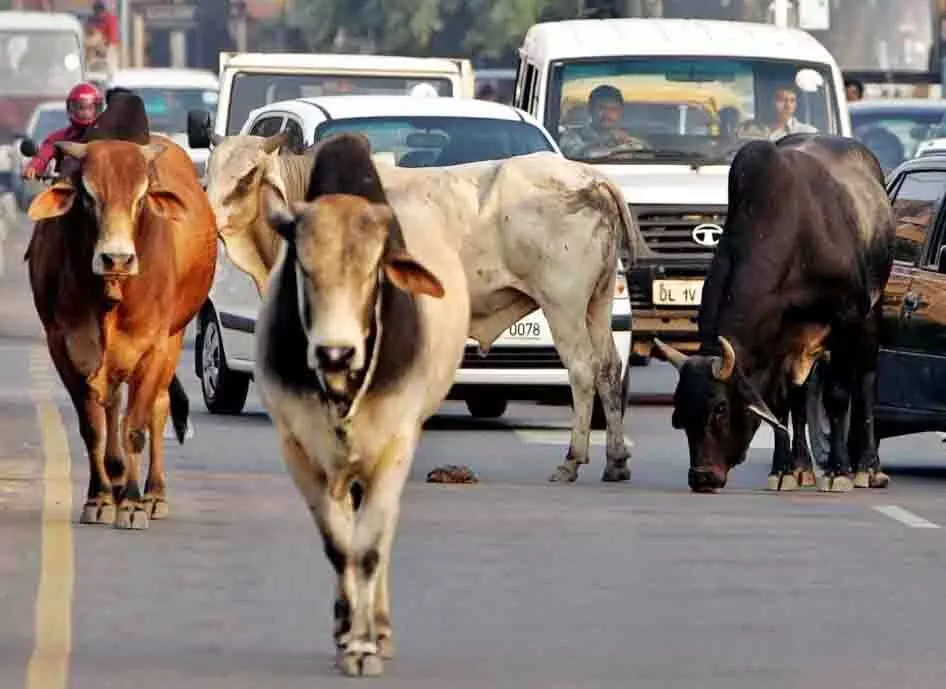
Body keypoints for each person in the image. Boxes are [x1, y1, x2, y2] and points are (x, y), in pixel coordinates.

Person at [22, 82, 104, 180]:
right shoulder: (58, 138)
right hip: (68, 187)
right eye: (81, 108)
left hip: (103, 189)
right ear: (71, 108)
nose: (85, 113)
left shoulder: (108, 136)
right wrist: (33, 167)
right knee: (45, 196)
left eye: (90, 108)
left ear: (97, 109)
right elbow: (43, 155)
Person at [559, 84, 648, 158]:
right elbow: (572, 157)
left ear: (620, 112)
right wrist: (606, 141)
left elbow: (649, 157)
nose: (607, 114)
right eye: (602, 108)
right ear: (591, 109)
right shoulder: (572, 136)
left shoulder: (632, 139)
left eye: (613, 109)